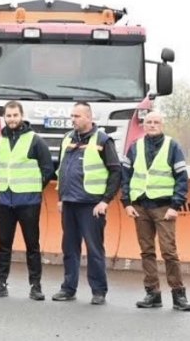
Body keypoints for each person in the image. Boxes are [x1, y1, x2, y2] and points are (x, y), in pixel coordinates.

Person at [121, 111, 190, 311]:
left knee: (169, 252)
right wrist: (127, 203)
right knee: (147, 251)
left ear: (162, 125)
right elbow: (125, 176)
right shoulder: (135, 147)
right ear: (143, 125)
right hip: (140, 207)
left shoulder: (173, 146)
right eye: (148, 122)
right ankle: (152, 294)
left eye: (156, 122)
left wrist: (175, 206)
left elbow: (181, 178)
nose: (152, 125)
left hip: (164, 208)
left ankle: (179, 295)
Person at [52, 101, 120, 305]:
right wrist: (60, 198)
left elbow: (116, 172)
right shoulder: (67, 138)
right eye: (72, 116)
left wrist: (105, 201)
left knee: (94, 249)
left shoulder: (103, 140)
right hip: (70, 203)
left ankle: (99, 291)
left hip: (91, 205)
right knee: (70, 248)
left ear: (89, 118)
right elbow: (62, 171)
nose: (73, 120)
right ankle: (68, 288)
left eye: (77, 116)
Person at [0, 101, 54, 300]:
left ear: (22, 116)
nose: (12, 119)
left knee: (32, 245)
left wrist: (35, 189)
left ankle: (36, 286)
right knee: (4, 245)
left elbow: (48, 169)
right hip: (5, 201)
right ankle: (0, 283)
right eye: (8, 116)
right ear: (4, 117)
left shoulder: (35, 141)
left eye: (15, 115)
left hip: (29, 202)